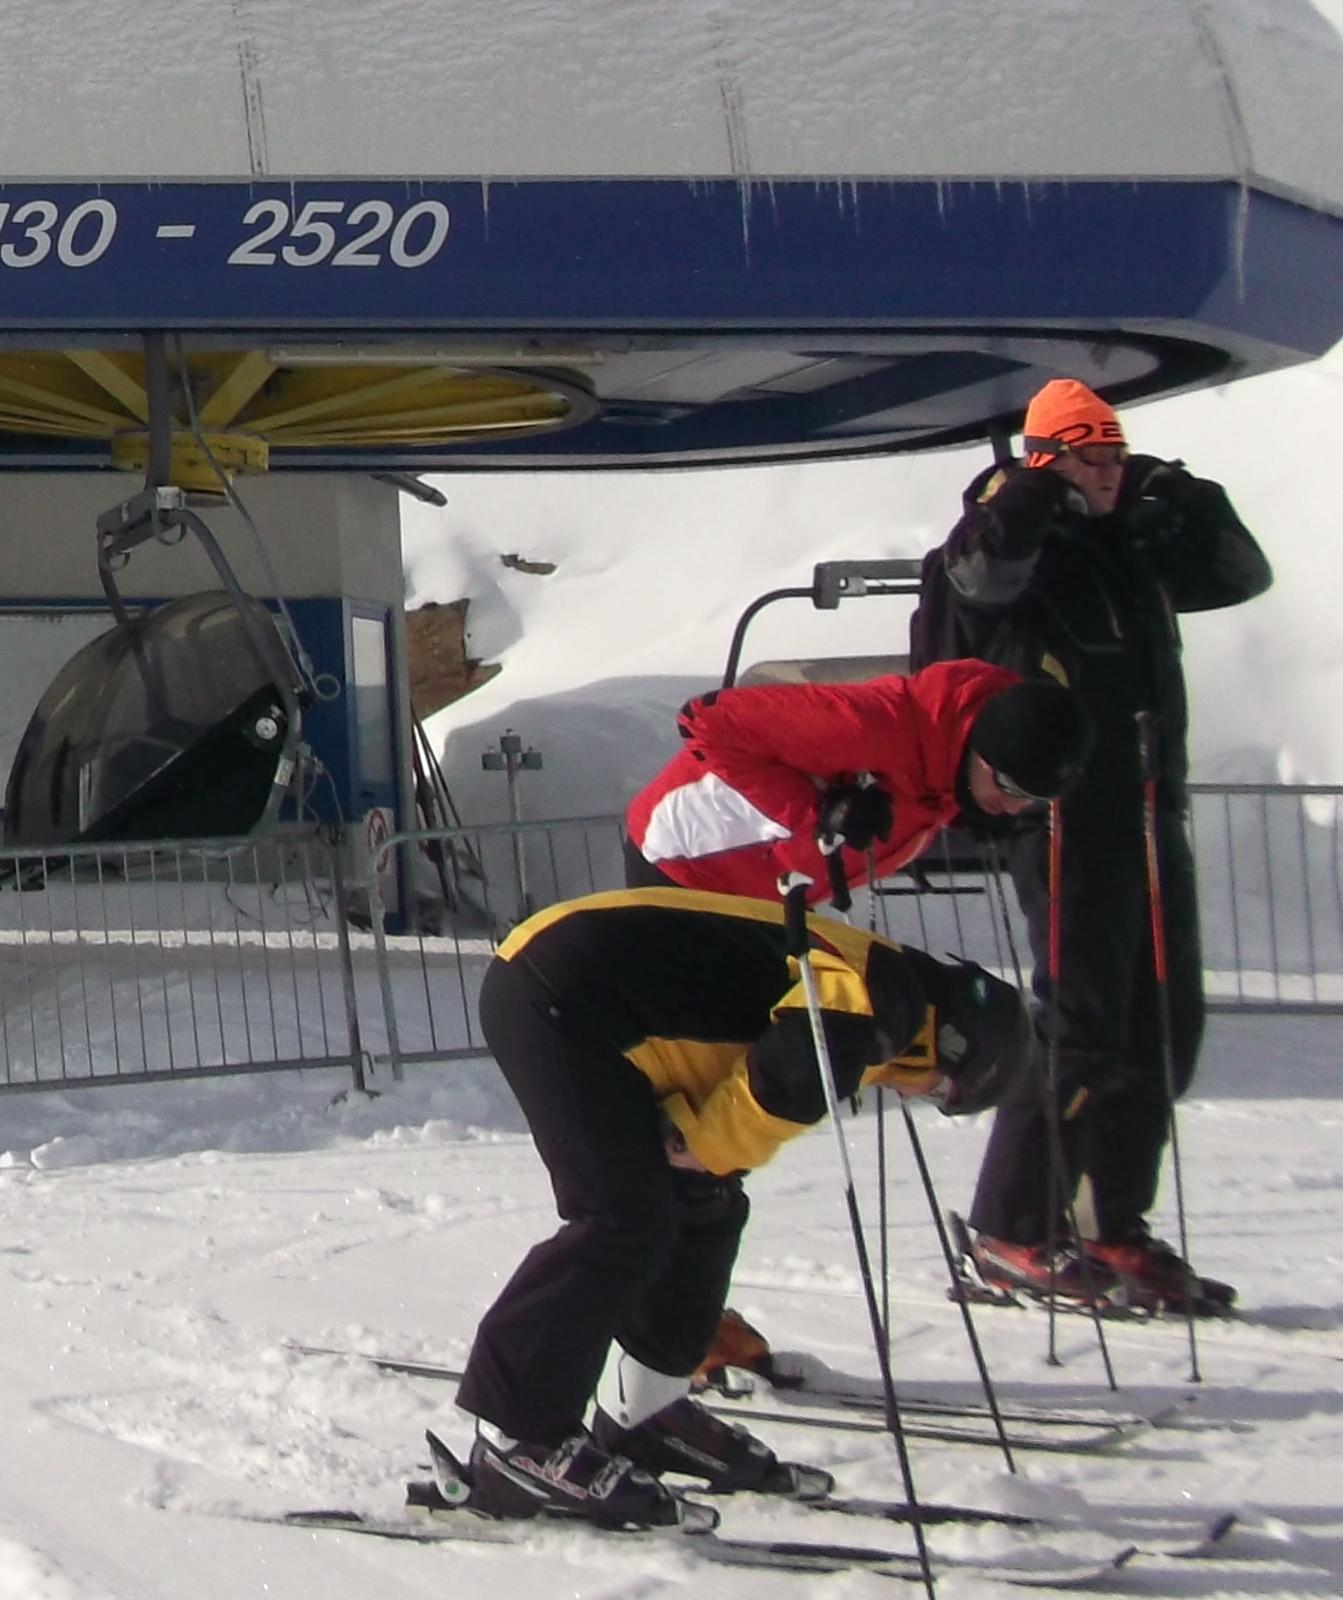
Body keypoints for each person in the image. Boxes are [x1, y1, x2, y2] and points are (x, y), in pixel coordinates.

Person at [450, 885, 1025, 1526]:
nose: (918, 1095)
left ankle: (644, 1411)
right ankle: (519, 1438)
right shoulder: (882, 1002)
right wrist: (702, 1144)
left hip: (605, 1005)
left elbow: (745, 1051)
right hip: (555, 995)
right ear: (954, 1049)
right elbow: (788, 1077)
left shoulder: (891, 992)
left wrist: (705, 1154)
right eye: (942, 1092)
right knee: (619, 1220)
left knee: (705, 1205)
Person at [914, 378, 1272, 1318]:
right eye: (1093, 458)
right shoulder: (1012, 539)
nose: (1110, 474)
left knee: (1160, 1029)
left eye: (1116, 456)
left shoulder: (1124, 547)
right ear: (1048, 460)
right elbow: (982, 579)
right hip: (1066, 815)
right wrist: (1037, 488)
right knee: (1079, 1023)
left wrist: (1178, 489)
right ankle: (1010, 1227)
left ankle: (1109, 1219)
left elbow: (1240, 574)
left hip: (1149, 809)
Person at [623, 664, 1085, 902]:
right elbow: (705, 720)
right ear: (981, 751)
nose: (1015, 806)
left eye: (1034, 799)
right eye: (1010, 788)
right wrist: (819, 813)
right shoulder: (870, 726)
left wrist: (965, 812)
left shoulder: (946, 767)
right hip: (680, 861)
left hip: (764, 897)